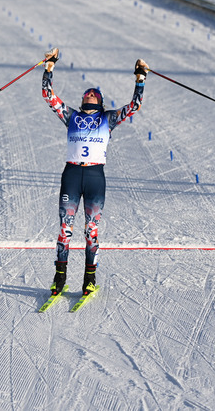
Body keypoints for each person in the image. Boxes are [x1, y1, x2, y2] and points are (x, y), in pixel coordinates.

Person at [41, 47, 148, 296]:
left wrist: (140, 78)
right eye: (87, 94)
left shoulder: (108, 119)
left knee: (91, 231)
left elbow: (134, 106)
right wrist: (49, 66)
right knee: (65, 229)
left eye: (94, 94)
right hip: (72, 176)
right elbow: (48, 96)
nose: (89, 94)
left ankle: (89, 279)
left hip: (94, 178)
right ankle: (59, 277)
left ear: (99, 102)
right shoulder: (71, 116)